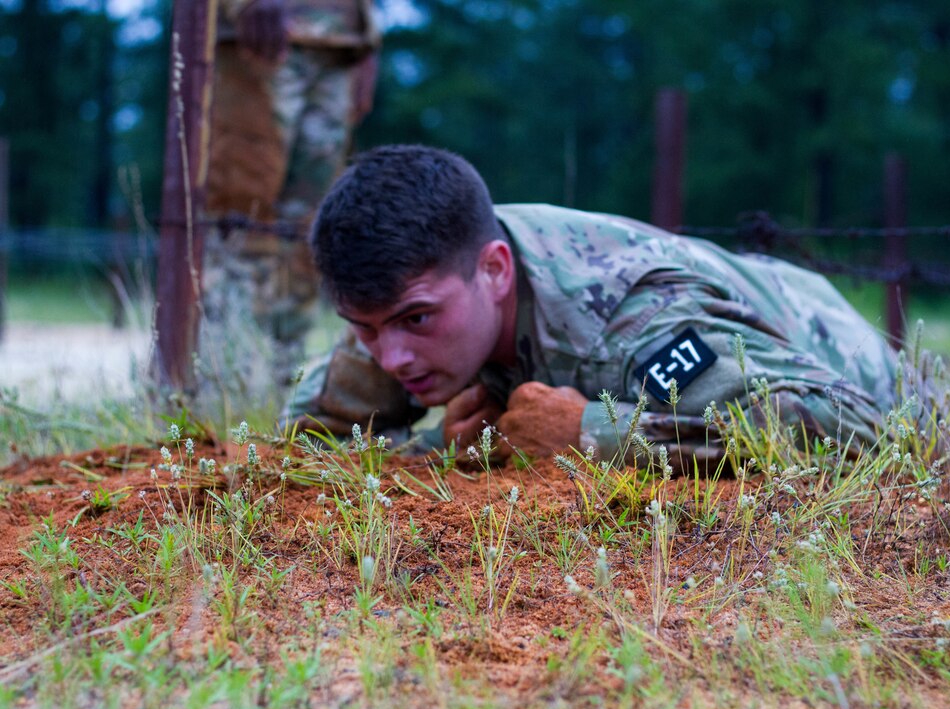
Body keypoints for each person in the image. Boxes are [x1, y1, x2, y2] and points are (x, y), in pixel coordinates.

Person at [286, 144, 901, 463]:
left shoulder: (633, 326)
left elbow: (858, 431)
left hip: (856, 365)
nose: (390, 357)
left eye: (414, 321)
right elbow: (309, 442)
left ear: (493, 270)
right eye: (363, 329)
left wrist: (591, 432)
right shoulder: (403, 295)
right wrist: (439, 449)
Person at [202, 0, 381, 385]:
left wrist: (368, 37)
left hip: (339, 45)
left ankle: (287, 380)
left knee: (310, 221)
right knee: (242, 204)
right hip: (259, 35)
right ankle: (220, 378)